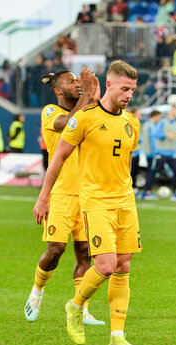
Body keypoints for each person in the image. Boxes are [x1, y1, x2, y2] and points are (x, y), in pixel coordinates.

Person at [33, 60, 143, 345]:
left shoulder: (132, 122)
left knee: (123, 266)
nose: (129, 94)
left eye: (132, 89)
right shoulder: (84, 118)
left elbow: (126, 164)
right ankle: (75, 304)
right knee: (105, 266)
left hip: (125, 202)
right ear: (108, 85)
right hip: (95, 201)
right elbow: (57, 158)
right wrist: (44, 196)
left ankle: (117, 337)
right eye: (124, 88)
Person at [24, 68, 104, 326]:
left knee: (84, 253)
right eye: (72, 82)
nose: (77, 84)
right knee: (56, 249)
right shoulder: (50, 112)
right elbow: (70, 123)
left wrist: (96, 96)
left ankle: (81, 308)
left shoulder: (85, 110)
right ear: (59, 89)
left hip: (87, 194)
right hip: (61, 193)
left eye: (78, 81)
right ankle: (37, 291)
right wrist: (88, 96)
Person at [151, 105, 176, 201]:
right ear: (169, 112)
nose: (174, 112)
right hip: (161, 152)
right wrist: (166, 135)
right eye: (173, 110)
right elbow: (156, 134)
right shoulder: (162, 122)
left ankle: (174, 193)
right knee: (153, 171)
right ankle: (147, 191)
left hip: (173, 154)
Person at [140, 110, 162, 200]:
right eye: (159, 117)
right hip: (151, 153)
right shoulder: (151, 126)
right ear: (155, 116)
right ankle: (147, 192)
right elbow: (152, 139)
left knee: (150, 171)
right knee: (151, 172)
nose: (159, 119)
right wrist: (156, 151)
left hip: (146, 152)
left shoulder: (145, 124)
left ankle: (147, 191)